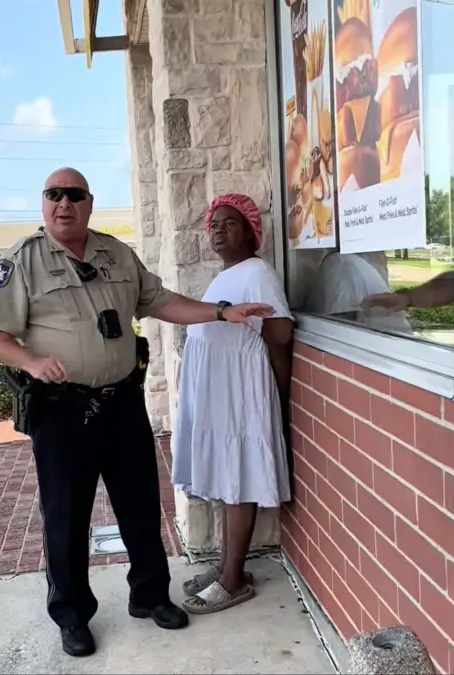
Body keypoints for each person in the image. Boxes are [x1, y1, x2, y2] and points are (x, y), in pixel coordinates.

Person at [0, 168, 275, 658]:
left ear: (89, 203)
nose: (64, 203)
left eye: (74, 195)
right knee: (66, 516)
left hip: (121, 402)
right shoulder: (21, 262)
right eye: (54, 195)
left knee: (140, 504)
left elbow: (160, 301)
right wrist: (31, 361)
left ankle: (151, 595)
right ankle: (72, 615)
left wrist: (222, 311)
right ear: (44, 203)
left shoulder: (116, 254)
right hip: (61, 410)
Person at [171, 194, 295, 614]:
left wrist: (279, 398)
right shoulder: (226, 275)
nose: (219, 230)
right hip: (220, 392)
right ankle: (229, 565)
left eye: (230, 223)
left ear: (251, 231)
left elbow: (278, 335)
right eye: (214, 225)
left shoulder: (257, 271)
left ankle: (233, 580)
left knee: (237, 477)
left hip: (240, 391)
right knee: (227, 477)